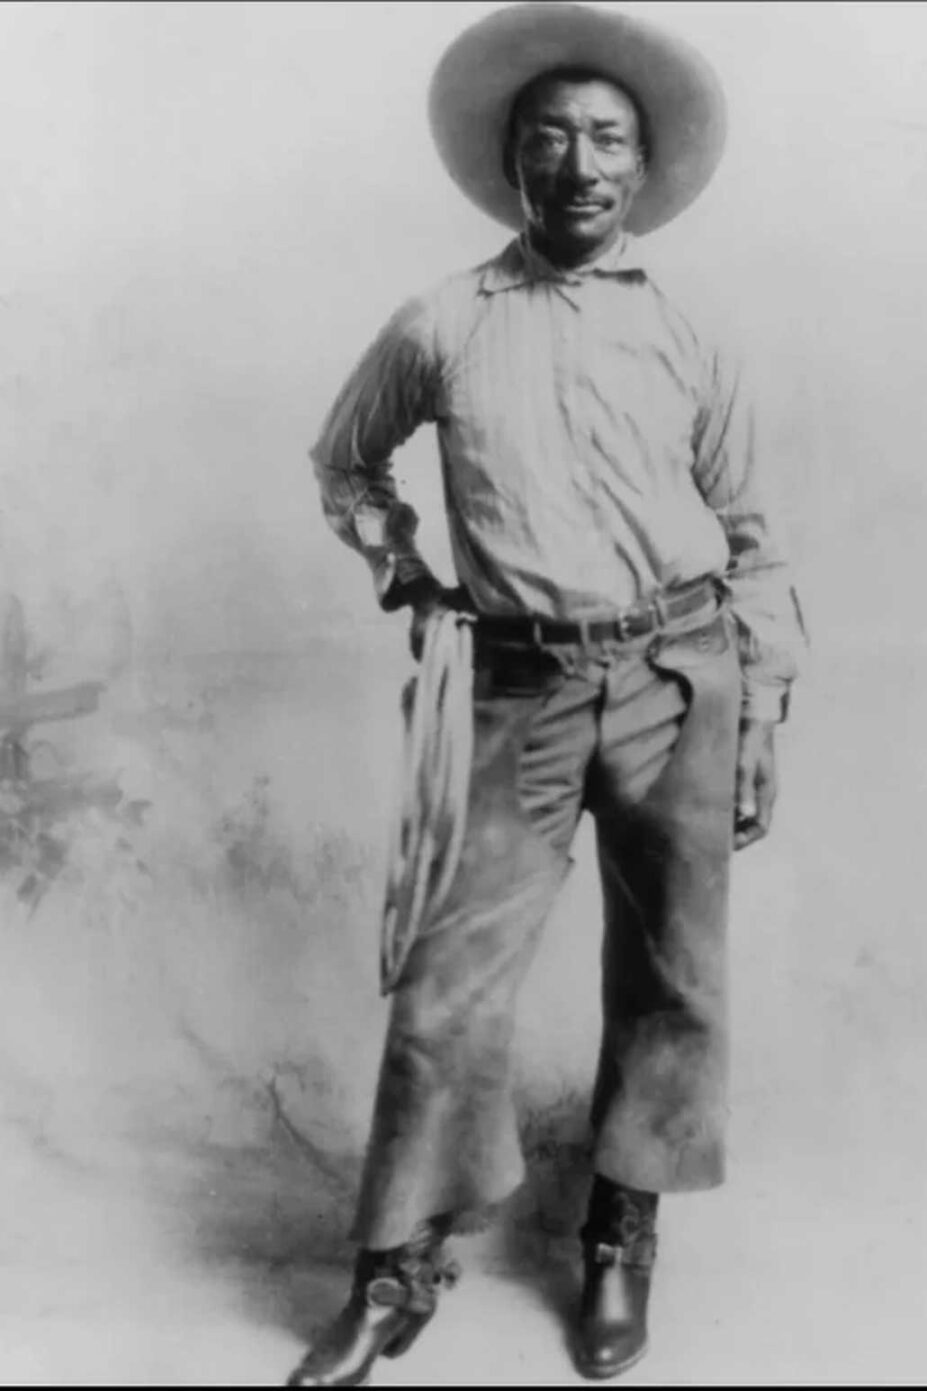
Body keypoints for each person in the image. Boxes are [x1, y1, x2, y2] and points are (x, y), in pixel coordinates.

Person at [287, 3, 806, 1384]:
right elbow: (346, 462)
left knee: (673, 974)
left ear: (644, 163)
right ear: (509, 156)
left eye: (608, 139)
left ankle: (620, 1240)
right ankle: (396, 1269)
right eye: (552, 137)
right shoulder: (441, 320)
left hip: (678, 679)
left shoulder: (695, 329)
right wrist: (407, 574)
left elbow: (756, 536)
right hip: (518, 687)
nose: (580, 165)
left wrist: (760, 710)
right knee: (447, 987)